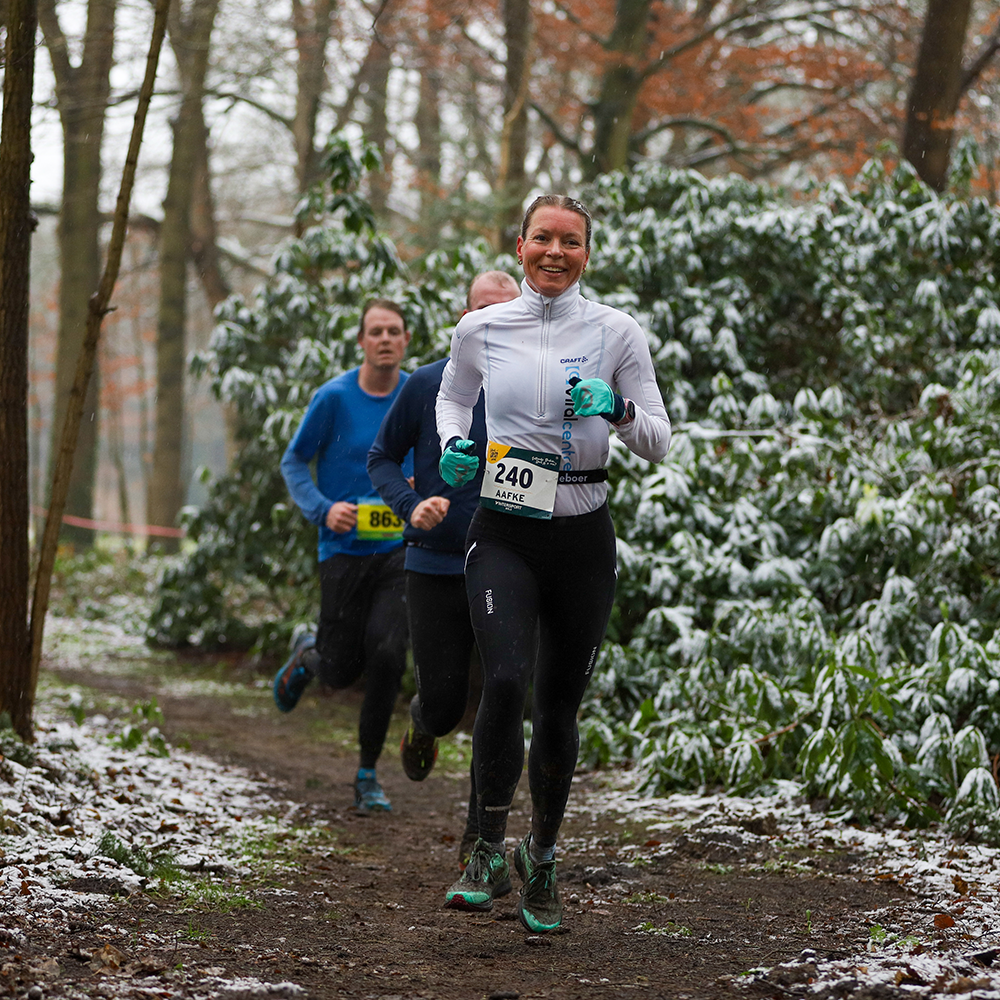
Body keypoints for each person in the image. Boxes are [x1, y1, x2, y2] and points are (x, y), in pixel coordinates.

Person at [435, 195, 671, 932]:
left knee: (559, 704)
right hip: (504, 529)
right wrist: (452, 446)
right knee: (505, 680)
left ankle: (541, 858)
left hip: (582, 536)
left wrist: (618, 410)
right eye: (543, 238)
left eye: (571, 242)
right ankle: (485, 850)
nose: (555, 253)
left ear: (587, 255)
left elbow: (660, 440)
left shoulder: (616, 331)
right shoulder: (481, 328)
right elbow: (452, 398)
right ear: (521, 245)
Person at [366, 271, 521, 869]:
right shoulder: (428, 384)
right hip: (434, 564)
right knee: (446, 703)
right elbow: (381, 457)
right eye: (483, 312)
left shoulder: (536, 390)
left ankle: (480, 837)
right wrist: (411, 506)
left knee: (501, 697)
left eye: (507, 311)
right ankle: (423, 722)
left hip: (508, 564)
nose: (494, 323)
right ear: (464, 318)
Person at [273, 299, 413, 815]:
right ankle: (309, 655)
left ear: (405, 340)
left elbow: (437, 453)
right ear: (361, 341)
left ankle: (367, 773)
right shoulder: (333, 398)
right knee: (338, 671)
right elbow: (294, 460)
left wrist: (420, 483)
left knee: (388, 654)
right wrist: (323, 509)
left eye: (393, 331)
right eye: (375, 331)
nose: (385, 339)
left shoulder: (416, 395)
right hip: (342, 550)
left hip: (398, 550)